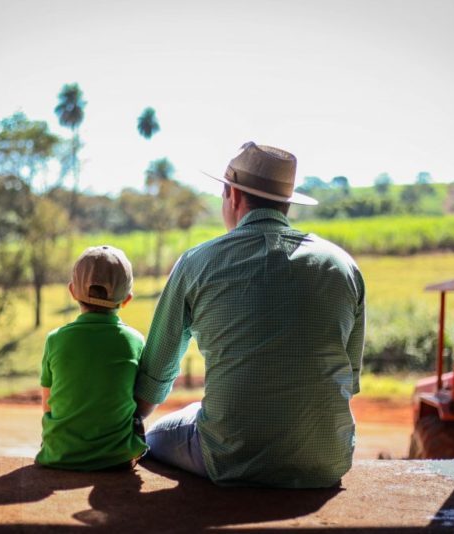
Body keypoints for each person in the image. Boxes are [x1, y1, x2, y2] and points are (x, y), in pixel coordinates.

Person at [134, 142, 365, 488]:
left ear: (232, 195)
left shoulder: (196, 262)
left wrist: (133, 421)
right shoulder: (343, 266)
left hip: (229, 459)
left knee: (154, 438)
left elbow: (153, 380)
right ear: (287, 203)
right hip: (327, 461)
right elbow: (349, 376)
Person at [36, 245, 147, 470]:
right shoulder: (135, 341)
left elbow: (48, 406)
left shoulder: (55, 339)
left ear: (73, 291)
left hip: (60, 456)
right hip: (117, 458)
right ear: (127, 299)